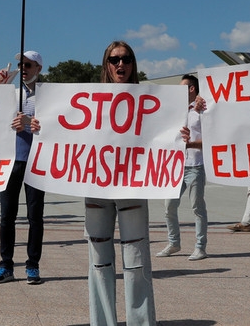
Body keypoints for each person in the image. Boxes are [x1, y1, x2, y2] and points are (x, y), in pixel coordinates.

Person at [83, 41, 156, 326]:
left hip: (133, 185)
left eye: (126, 59)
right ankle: (102, 322)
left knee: (136, 258)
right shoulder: (90, 99)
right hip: (96, 186)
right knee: (98, 259)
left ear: (133, 63)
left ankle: (141, 322)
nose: (120, 64)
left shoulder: (149, 99)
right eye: (114, 60)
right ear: (106, 65)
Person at [0, 50, 47, 286]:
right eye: (20, 64)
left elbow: (58, 126)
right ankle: (6, 264)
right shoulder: (12, 94)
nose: (23, 68)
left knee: (35, 216)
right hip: (12, 160)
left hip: (38, 161)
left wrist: (32, 123)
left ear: (38, 68)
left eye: (29, 64)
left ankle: (32, 265)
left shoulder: (47, 97)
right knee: (7, 216)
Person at [157, 74, 208, 261]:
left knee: (197, 207)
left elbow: (211, 139)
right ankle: (174, 243)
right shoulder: (178, 110)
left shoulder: (203, 110)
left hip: (195, 165)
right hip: (176, 166)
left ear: (192, 89)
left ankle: (200, 247)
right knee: (169, 206)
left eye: (182, 88)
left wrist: (189, 145)